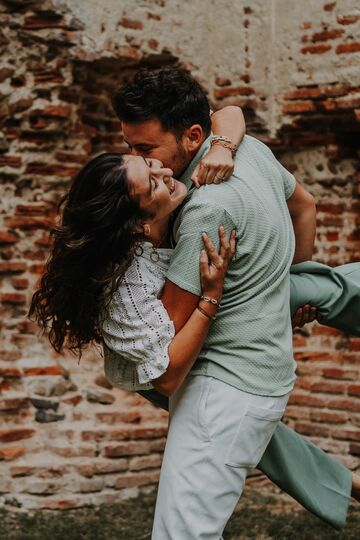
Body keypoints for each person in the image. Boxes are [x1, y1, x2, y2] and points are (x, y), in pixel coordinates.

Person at [111, 68, 360, 537]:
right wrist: (286, 286)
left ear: (191, 136)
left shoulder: (206, 208)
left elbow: (166, 343)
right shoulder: (250, 150)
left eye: (145, 149)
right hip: (262, 373)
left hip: (221, 388)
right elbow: (304, 205)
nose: (138, 159)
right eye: (129, 146)